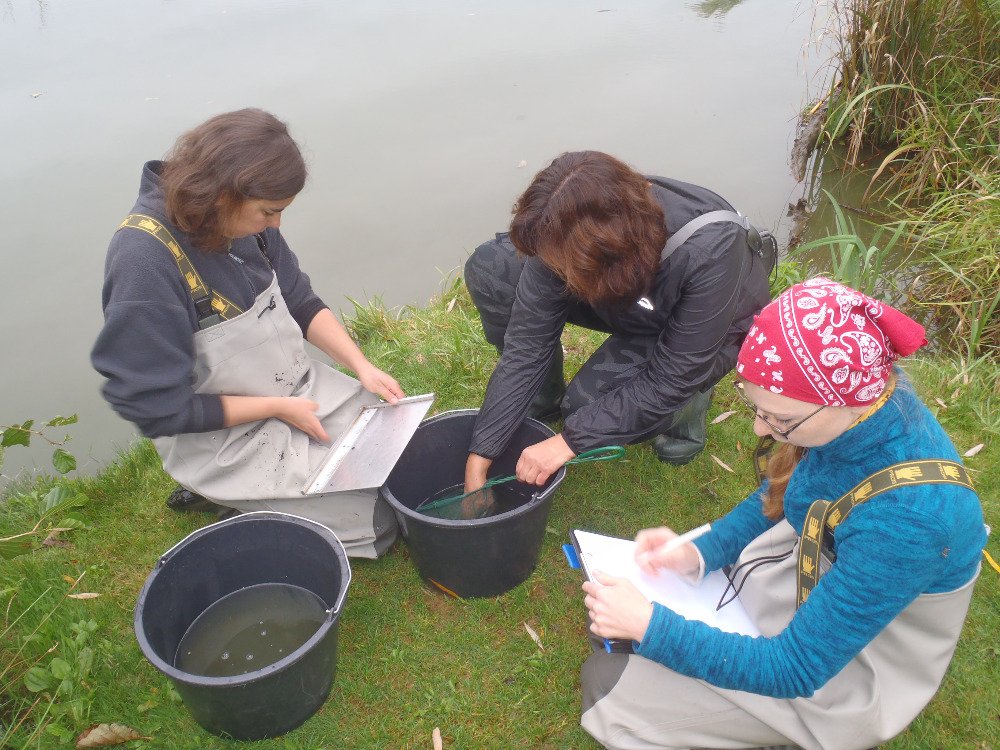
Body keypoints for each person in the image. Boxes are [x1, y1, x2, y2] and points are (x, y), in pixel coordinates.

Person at [580, 278, 987, 750]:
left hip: (855, 661)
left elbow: (795, 668)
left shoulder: (910, 522)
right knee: (616, 638)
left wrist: (652, 627)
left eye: (780, 420)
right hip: (826, 575)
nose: (760, 429)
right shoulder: (862, 411)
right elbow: (781, 496)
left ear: (842, 402)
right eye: (756, 408)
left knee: (608, 685)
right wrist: (698, 551)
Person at [91, 109, 404, 558]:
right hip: (221, 440)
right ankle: (230, 499)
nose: (275, 226)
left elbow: (300, 300)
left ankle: (269, 493)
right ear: (222, 194)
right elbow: (154, 407)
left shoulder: (241, 222)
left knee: (398, 455)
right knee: (379, 522)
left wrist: (362, 366)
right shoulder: (144, 261)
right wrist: (277, 408)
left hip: (297, 393)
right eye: (269, 212)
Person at [463, 151, 774, 495]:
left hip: (702, 326)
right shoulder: (568, 233)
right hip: (624, 294)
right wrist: (480, 456)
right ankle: (541, 405)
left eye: (562, 264)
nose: (554, 271)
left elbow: (669, 380)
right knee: (493, 268)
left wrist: (569, 441)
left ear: (602, 251)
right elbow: (526, 349)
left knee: (588, 408)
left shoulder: (711, 248)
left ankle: (689, 410)